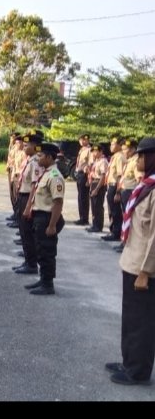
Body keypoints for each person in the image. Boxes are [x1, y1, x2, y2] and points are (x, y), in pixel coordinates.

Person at [106, 137, 155, 386]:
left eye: (143, 156)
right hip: (132, 262)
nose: (138, 159)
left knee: (141, 321)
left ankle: (138, 371)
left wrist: (146, 271)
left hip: (144, 269)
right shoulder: (146, 185)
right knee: (130, 318)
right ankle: (129, 361)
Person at [22, 143, 65, 296]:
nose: (38, 158)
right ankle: (43, 279)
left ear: (49, 157)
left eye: (41, 155)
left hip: (47, 217)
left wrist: (52, 225)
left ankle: (48, 284)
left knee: (47, 251)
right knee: (40, 249)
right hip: (39, 216)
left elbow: (58, 202)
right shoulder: (46, 173)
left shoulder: (55, 176)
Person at [12, 132, 43, 275]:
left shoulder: (36, 162)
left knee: (28, 231)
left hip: (28, 198)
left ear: (35, 146)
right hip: (23, 196)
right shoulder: (30, 160)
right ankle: (27, 259)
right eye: (23, 145)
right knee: (23, 230)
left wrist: (29, 206)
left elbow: (35, 186)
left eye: (27, 145)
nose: (24, 147)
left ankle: (31, 264)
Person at [113, 139, 141, 253]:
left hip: (131, 192)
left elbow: (139, 180)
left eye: (126, 149)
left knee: (129, 219)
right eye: (123, 149)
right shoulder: (129, 161)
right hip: (125, 191)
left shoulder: (136, 161)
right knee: (125, 217)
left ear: (133, 149)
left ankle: (127, 243)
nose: (124, 152)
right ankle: (124, 241)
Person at [103, 137, 126, 241]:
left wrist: (118, 192)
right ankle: (113, 231)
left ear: (119, 145)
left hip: (115, 186)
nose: (111, 146)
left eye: (113, 144)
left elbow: (120, 176)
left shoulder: (120, 157)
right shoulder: (115, 157)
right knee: (112, 210)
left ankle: (116, 233)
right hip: (110, 185)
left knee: (116, 211)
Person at [88, 144, 109, 233]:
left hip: (99, 184)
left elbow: (103, 176)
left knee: (98, 206)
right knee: (94, 206)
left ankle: (98, 226)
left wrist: (97, 189)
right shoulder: (96, 161)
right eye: (93, 151)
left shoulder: (103, 161)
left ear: (101, 152)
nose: (94, 153)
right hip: (94, 182)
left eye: (96, 151)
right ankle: (94, 224)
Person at [73, 133, 92, 225]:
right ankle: (81, 217)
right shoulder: (82, 150)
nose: (82, 141)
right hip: (79, 174)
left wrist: (88, 179)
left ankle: (84, 219)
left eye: (84, 140)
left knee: (84, 197)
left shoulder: (89, 150)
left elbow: (90, 164)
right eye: (81, 140)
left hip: (85, 175)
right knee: (80, 197)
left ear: (88, 140)